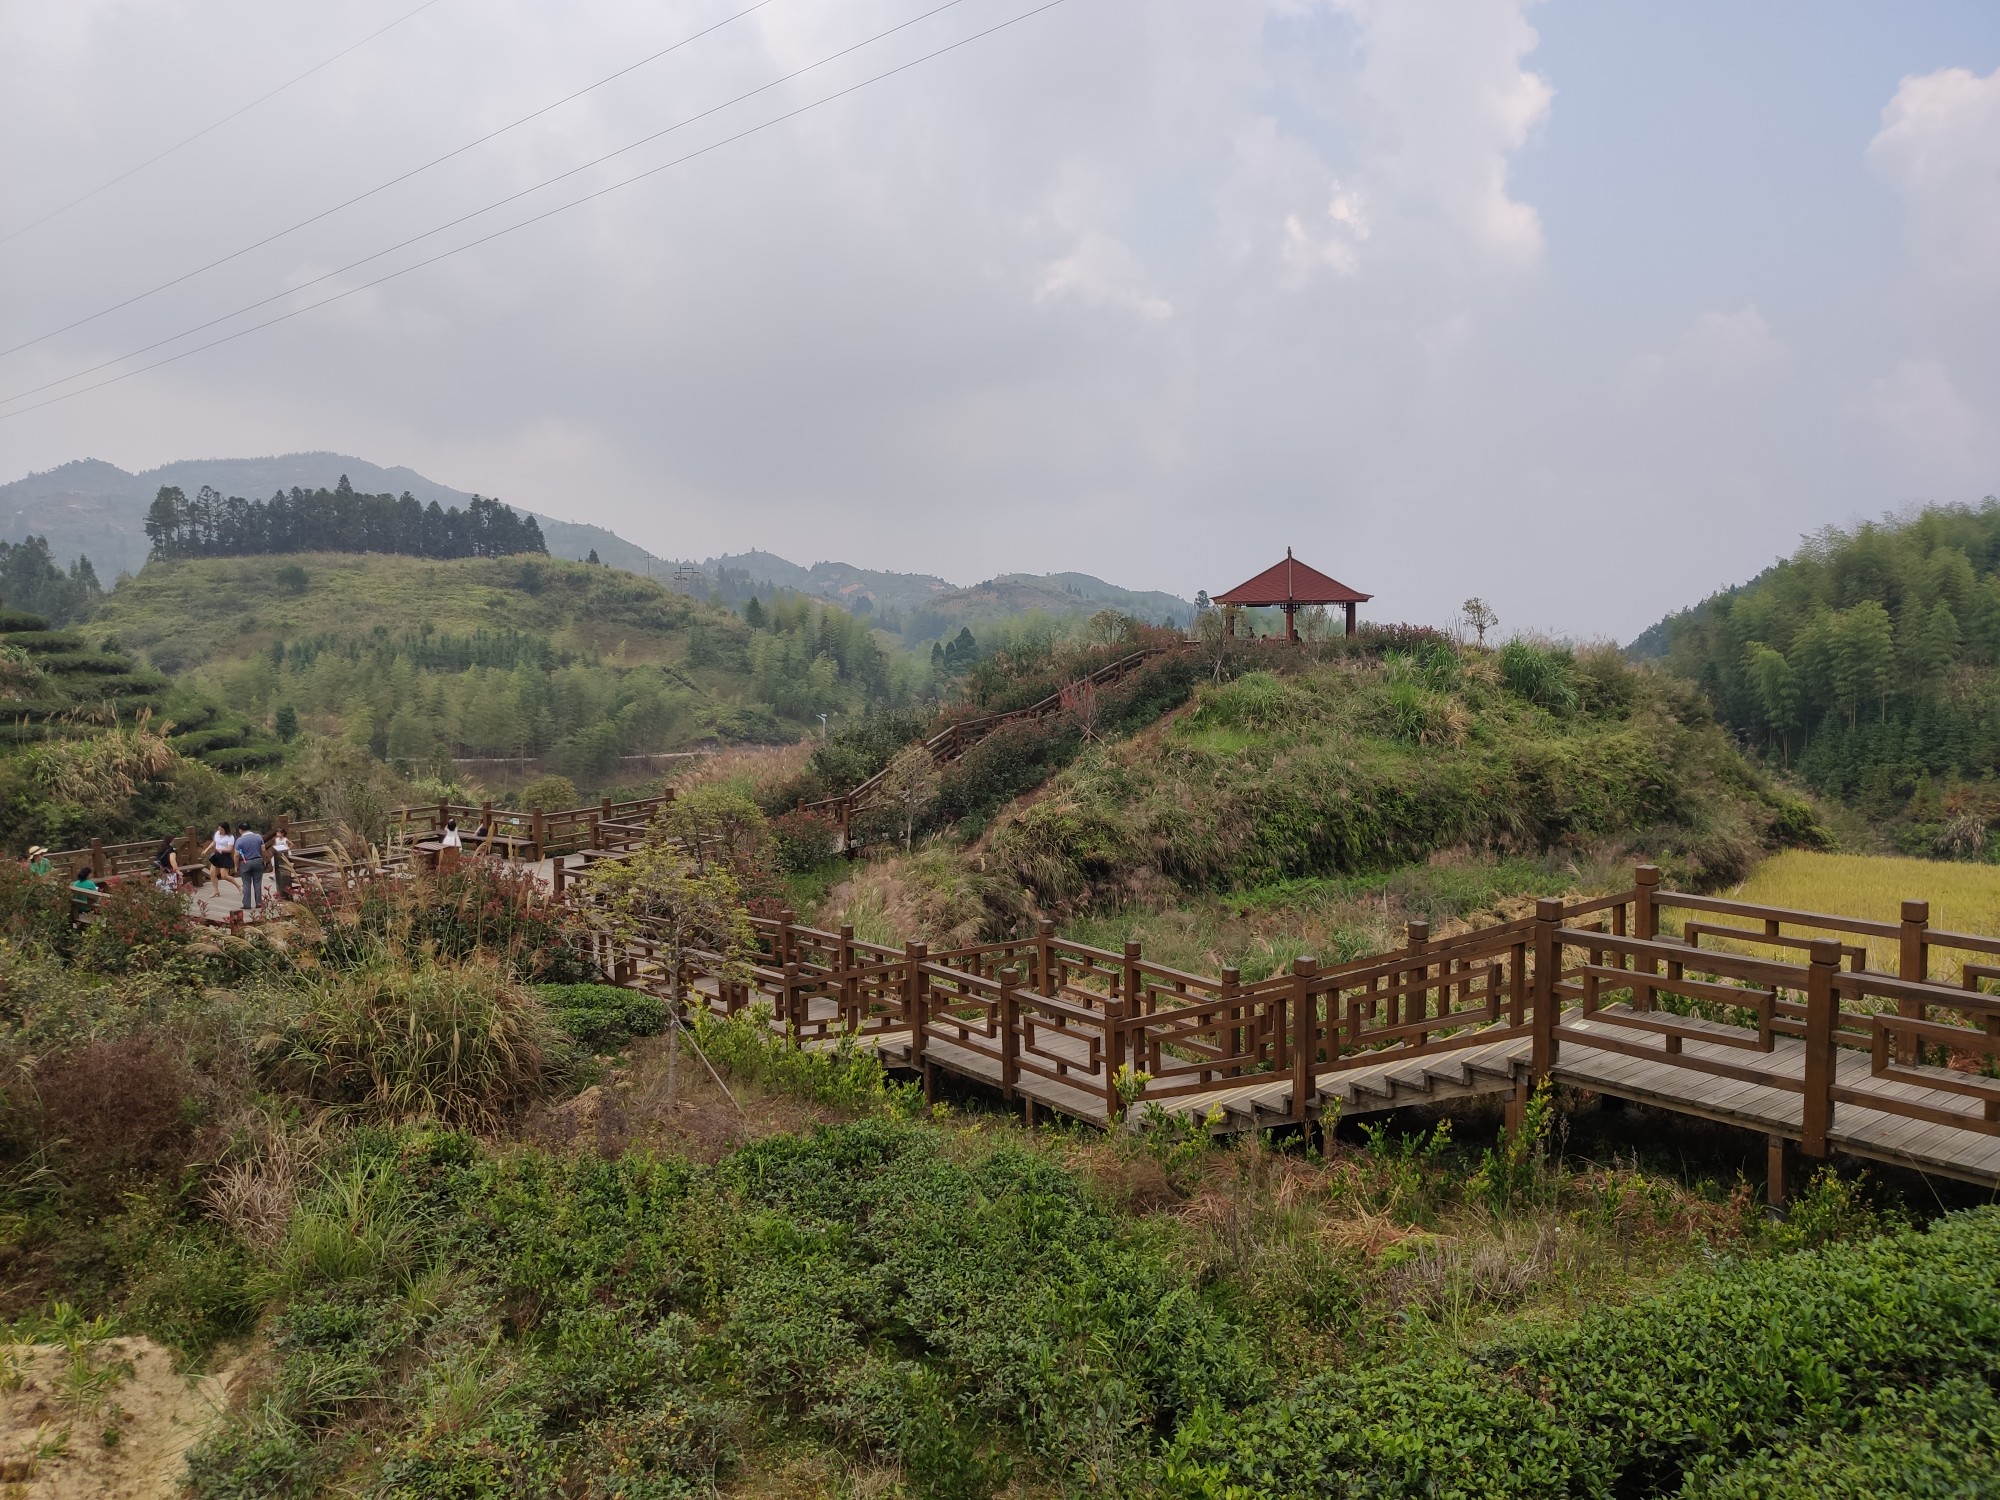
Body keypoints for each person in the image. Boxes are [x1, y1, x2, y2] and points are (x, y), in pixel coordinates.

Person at [235, 823, 266, 912]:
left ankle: (246, 904)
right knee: (257, 882)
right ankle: (259, 903)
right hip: (257, 860)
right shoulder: (258, 837)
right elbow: (263, 850)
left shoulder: (239, 840)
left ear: (240, 830)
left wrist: (236, 866)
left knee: (246, 883)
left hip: (246, 862)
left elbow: (236, 855)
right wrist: (264, 860)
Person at [204, 823, 238, 894]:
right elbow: (214, 842)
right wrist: (206, 850)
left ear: (226, 829)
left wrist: (222, 850)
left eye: (221, 829)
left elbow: (230, 849)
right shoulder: (217, 833)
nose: (220, 830)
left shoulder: (230, 837)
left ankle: (238, 886)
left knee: (224, 876)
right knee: (212, 873)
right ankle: (215, 890)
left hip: (225, 856)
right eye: (219, 828)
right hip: (216, 855)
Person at [270, 827, 293, 903]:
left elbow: (291, 844)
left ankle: (276, 873)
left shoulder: (285, 839)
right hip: (279, 852)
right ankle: (274, 872)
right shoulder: (276, 840)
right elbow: (275, 846)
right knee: (273, 859)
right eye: (277, 833)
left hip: (285, 852)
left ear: (282, 833)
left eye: (279, 833)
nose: (278, 834)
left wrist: (288, 848)